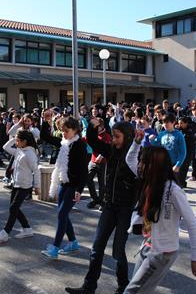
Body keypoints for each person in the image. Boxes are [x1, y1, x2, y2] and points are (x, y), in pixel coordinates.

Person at [123, 132, 196, 293]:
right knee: (140, 289)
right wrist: (136, 143)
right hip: (147, 247)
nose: (139, 165)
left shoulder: (173, 191)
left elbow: (192, 224)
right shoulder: (148, 181)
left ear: (154, 166)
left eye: (143, 162)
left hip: (162, 252)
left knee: (131, 291)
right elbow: (129, 160)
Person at [65, 120, 137, 294]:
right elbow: (91, 140)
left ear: (127, 137)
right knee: (96, 248)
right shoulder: (110, 150)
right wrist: (93, 125)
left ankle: (123, 287)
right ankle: (89, 287)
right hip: (109, 206)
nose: (113, 139)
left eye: (117, 137)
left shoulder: (135, 155)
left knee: (118, 251)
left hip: (125, 209)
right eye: (112, 135)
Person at [40, 116, 88, 259]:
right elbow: (44, 137)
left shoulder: (79, 145)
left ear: (75, 130)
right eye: (62, 131)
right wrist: (45, 120)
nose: (63, 133)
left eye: (66, 131)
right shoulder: (64, 142)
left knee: (61, 214)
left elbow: (83, 171)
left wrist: (79, 190)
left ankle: (55, 247)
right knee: (63, 214)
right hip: (63, 183)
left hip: (73, 186)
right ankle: (73, 242)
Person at [0, 130, 41, 242]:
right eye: (16, 140)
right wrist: (15, 136)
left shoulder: (30, 154)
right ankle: (27, 229)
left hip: (25, 185)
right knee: (14, 208)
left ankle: (5, 233)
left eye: (18, 141)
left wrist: (37, 186)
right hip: (16, 183)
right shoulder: (19, 150)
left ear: (24, 142)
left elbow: (36, 171)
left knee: (13, 208)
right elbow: (5, 147)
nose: (16, 143)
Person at [149, 113, 186, 182]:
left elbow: (183, 152)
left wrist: (178, 165)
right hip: (162, 164)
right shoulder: (161, 134)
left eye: (167, 122)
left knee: (174, 187)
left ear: (173, 122)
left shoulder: (179, 135)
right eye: (164, 122)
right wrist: (151, 140)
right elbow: (156, 146)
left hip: (173, 165)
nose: (165, 124)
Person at [85, 117, 111, 209]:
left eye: (97, 127)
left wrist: (101, 156)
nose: (95, 129)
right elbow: (88, 139)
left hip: (102, 162)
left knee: (102, 183)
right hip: (93, 160)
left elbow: (106, 149)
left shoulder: (107, 136)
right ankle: (95, 199)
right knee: (88, 179)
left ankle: (101, 201)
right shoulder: (94, 135)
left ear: (102, 126)